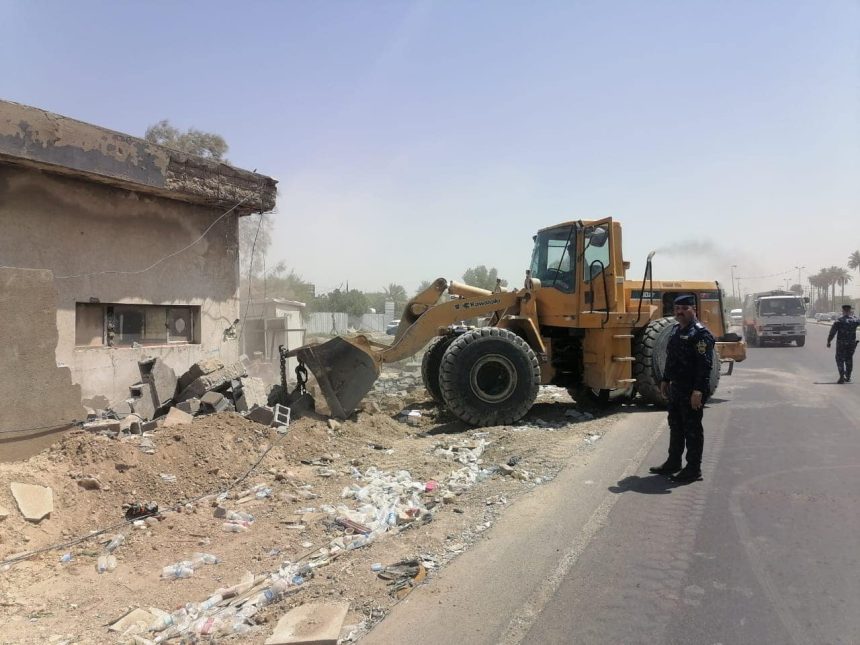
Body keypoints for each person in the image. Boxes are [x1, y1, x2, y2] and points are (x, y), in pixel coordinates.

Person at [649, 294, 715, 483]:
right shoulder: (675, 330)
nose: (680, 312)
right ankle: (673, 462)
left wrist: (698, 391)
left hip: (692, 389)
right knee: (675, 425)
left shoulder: (700, 334)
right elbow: (671, 358)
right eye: (677, 309)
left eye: (684, 309)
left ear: (694, 309)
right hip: (676, 387)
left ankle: (693, 469)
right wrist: (665, 379)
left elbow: (705, 365)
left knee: (692, 429)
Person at [827, 304, 860, 383]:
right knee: (849, 359)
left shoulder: (839, 321)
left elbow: (832, 333)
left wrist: (829, 341)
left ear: (843, 311)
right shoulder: (855, 320)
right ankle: (848, 377)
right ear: (850, 310)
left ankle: (842, 376)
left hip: (841, 344)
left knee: (839, 359)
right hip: (851, 344)